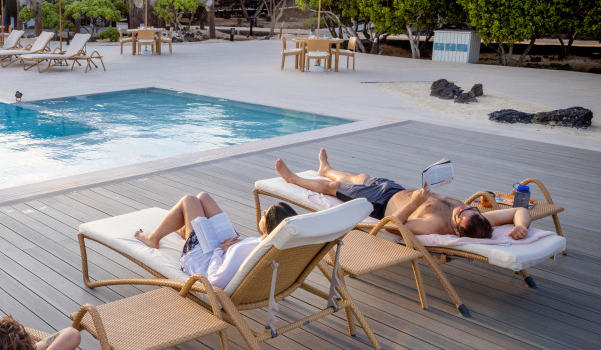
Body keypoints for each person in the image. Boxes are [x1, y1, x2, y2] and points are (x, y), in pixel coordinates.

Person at [274, 148, 530, 240]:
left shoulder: (434, 225)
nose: (459, 209)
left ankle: (293, 178)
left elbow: (396, 228)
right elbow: (520, 210)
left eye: (459, 215)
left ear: (455, 231)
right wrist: (522, 228)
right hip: (397, 189)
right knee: (359, 177)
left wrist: (416, 203)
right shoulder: (481, 221)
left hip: (380, 203)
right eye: (466, 209)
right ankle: (326, 168)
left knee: (334, 189)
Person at [134, 192, 298, 289]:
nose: (263, 212)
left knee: (189, 200)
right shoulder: (278, 244)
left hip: (203, 259)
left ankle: (153, 238)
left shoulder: (243, 251)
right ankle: (186, 229)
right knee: (203, 198)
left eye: (265, 214)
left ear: (269, 227)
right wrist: (233, 246)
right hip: (230, 247)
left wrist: (220, 251)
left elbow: (215, 281)